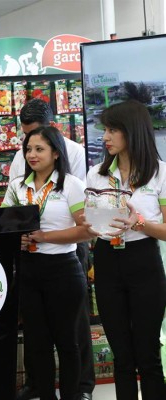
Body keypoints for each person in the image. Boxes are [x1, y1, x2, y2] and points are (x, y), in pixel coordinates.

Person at [11, 98, 95, 400]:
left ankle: (76, 393)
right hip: (30, 268)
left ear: (55, 151)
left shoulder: (71, 184)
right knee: (37, 341)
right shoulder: (19, 185)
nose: (31, 154)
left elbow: (86, 229)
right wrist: (16, 236)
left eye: (39, 149)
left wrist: (44, 237)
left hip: (63, 267)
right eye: (28, 148)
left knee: (68, 340)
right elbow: (6, 221)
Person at [85, 100, 166, 400]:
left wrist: (139, 223)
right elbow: (90, 224)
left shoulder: (160, 173)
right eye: (105, 130)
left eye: (112, 130)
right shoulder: (96, 175)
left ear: (132, 132)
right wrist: (89, 225)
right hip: (107, 261)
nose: (105, 137)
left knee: (148, 356)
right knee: (122, 356)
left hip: (144, 261)